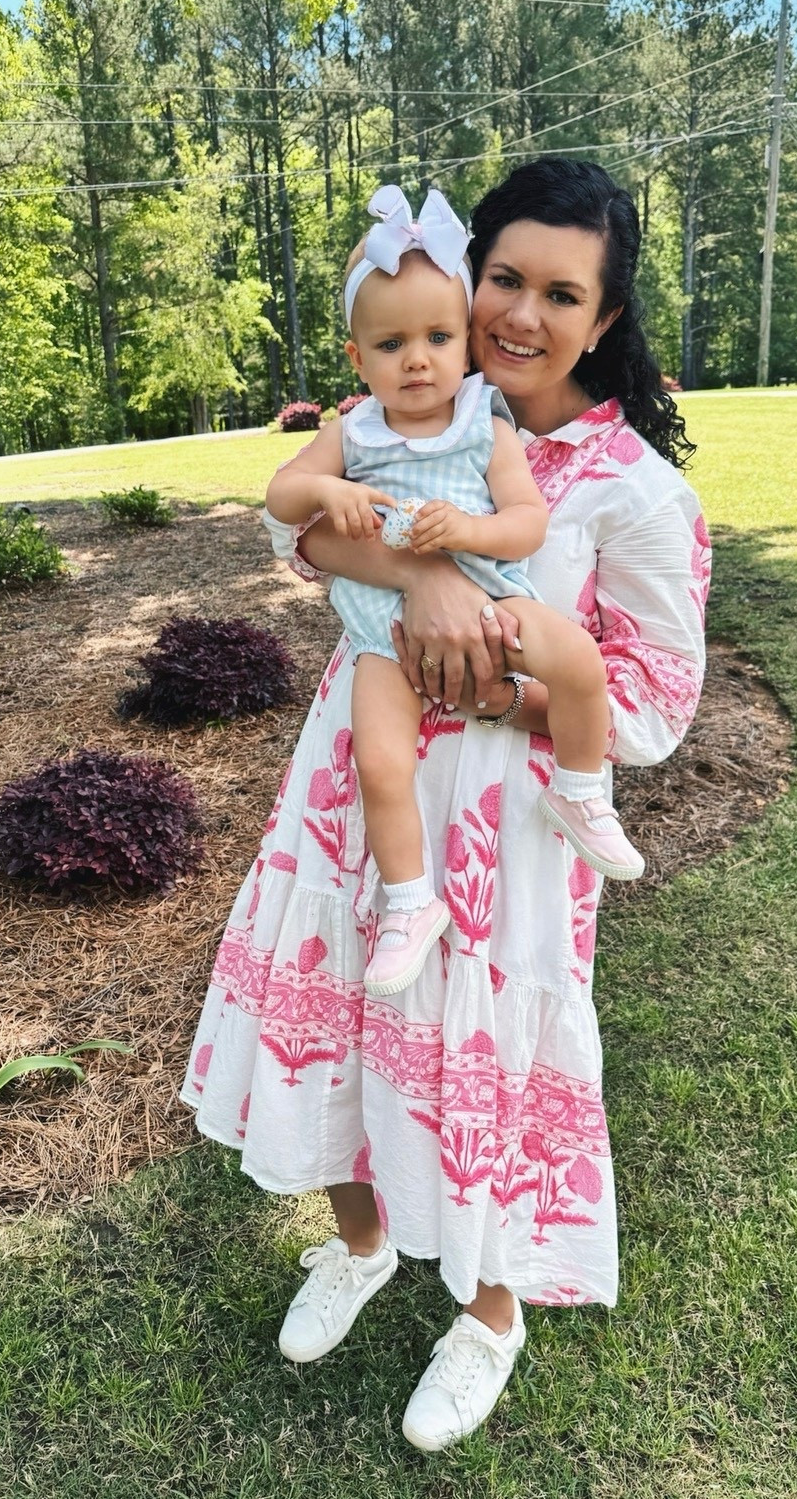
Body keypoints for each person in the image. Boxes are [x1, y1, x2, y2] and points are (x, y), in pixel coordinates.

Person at [181, 158, 709, 1452]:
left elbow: (651, 705)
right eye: (504, 278)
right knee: (345, 1011)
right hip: (348, 789)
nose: (519, 314)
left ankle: (486, 1311)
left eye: (560, 292)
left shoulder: (631, 487)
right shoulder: (409, 397)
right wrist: (418, 583)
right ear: (463, 277)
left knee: (475, 1053)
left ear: (604, 317)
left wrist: (505, 676)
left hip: (502, 838)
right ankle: (359, 1241)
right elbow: (292, 532)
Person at [265, 185, 645, 1000]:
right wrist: (324, 494)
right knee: (379, 760)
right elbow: (281, 500)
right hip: (384, 639)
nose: (418, 359)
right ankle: (409, 898)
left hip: (498, 603)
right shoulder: (355, 429)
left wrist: (463, 538)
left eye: (438, 337)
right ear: (356, 357)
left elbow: (525, 522)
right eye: (393, 342)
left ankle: (579, 791)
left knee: (578, 662)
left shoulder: (482, 422)